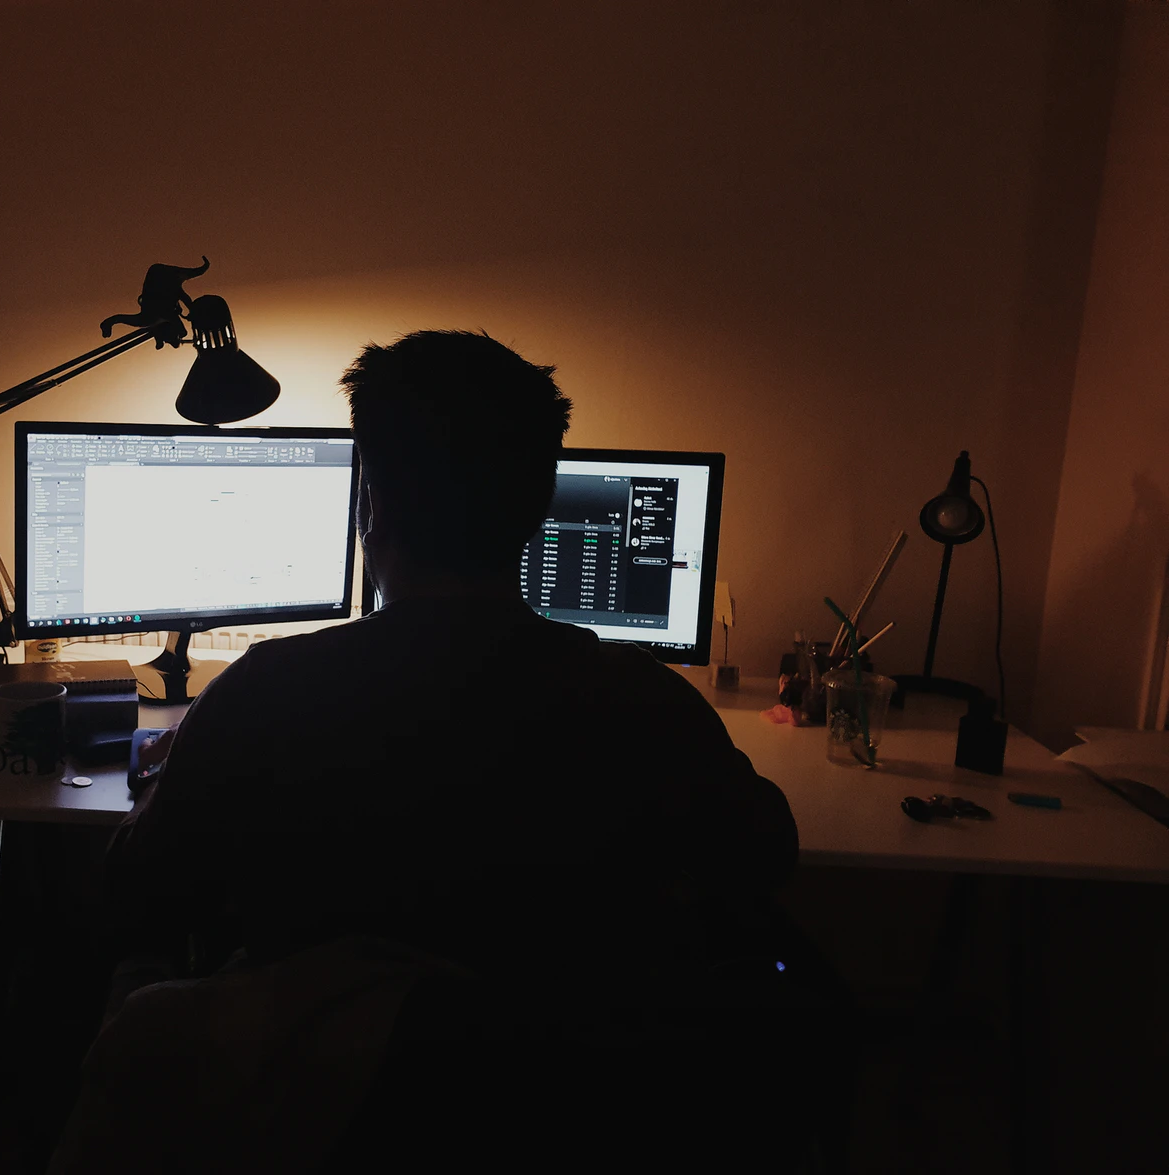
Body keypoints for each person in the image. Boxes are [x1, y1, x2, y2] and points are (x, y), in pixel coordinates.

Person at [50, 331, 805, 1172]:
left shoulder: (271, 687)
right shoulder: (640, 698)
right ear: (538, 499)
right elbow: (766, 852)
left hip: (310, 1109)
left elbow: (130, 895)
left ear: (371, 500)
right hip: (559, 1107)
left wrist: (171, 777)